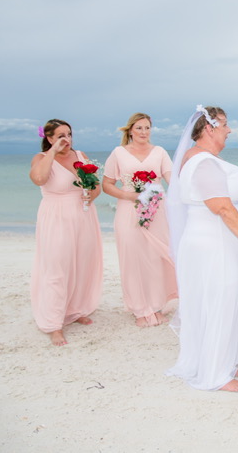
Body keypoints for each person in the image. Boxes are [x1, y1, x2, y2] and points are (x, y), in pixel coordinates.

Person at [166, 105, 238, 392]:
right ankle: (215, 374)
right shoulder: (204, 163)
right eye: (225, 125)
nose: (229, 130)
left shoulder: (201, 159)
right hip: (214, 246)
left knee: (225, 302)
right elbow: (221, 207)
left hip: (218, 243)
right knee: (219, 303)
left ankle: (224, 360)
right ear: (209, 128)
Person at [29, 119, 103, 346]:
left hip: (83, 215)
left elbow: (96, 185)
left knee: (82, 264)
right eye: (61, 135)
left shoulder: (80, 155)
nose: (67, 140)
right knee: (57, 268)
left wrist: (91, 195)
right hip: (56, 217)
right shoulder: (41, 158)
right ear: (49, 138)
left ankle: (76, 309)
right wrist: (53, 152)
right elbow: (38, 179)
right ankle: (54, 324)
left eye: (69, 134)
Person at [102, 113, 178, 327]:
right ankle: (139, 309)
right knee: (133, 259)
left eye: (147, 128)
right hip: (128, 210)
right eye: (139, 128)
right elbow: (106, 185)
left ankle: (156, 306)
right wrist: (133, 196)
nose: (144, 132)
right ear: (130, 130)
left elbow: (172, 179)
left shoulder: (160, 152)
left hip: (157, 211)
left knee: (156, 258)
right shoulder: (118, 153)